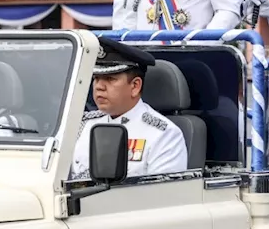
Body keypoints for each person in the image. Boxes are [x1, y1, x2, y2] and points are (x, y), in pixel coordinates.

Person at [69, 39, 188, 180]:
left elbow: (161, 196)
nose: (99, 86)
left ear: (135, 86)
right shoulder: (81, 125)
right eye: (96, 78)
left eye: (110, 79)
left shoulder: (163, 134)